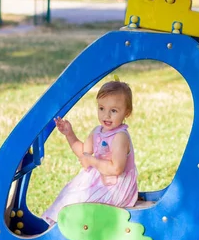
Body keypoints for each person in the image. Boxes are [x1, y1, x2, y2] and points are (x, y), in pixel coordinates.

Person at [42, 80, 138, 225]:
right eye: (101, 108)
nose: (106, 115)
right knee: (69, 194)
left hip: (116, 187)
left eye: (113, 110)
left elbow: (116, 169)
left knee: (79, 202)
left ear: (127, 112)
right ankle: (56, 227)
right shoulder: (97, 131)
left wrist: (92, 161)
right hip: (99, 180)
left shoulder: (120, 137)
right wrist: (69, 134)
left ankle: (68, 228)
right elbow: (83, 153)